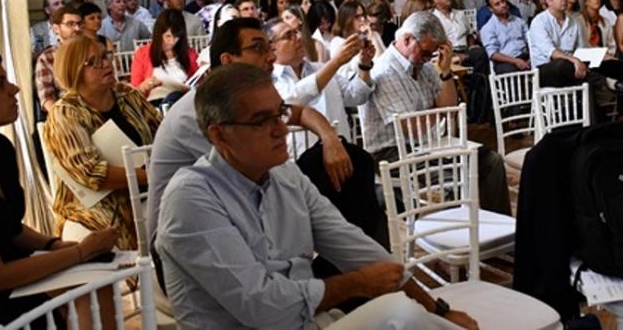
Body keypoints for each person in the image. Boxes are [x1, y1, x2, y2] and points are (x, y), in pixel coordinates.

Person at [156, 64, 478, 329]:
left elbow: (352, 244)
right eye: (261, 121)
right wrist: (357, 284)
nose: (282, 129)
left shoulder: (285, 175)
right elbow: (263, 308)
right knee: (402, 317)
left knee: (416, 319)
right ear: (219, 135)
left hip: (307, 320)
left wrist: (438, 310)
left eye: (280, 113)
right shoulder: (191, 199)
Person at [0, 48, 119, 330]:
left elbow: (12, 229)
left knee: (98, 280)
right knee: (85, 276)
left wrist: (53, 245)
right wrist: (79, 252)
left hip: (9, 269)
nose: (15, 88)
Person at [360, 12, 510, 215]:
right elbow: (411, 128)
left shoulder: (422, 65)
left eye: (431, 54)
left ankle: (498, 230)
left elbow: (449, 108)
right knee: (453, 178)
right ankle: (457, 239)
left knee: (492, 161)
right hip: (391, 151)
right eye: (425, 52)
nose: (427, 58)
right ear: (407, 40)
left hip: (426, 144)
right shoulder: (385, 71)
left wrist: (446, 70)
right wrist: (439, 112)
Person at [45, 36, 159, 249]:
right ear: (74, 70)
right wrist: (154, 176)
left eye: (105, 56)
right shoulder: (65, 113)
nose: (106, 63)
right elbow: (90, 173)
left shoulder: (127, 95)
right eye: (94, 62)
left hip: (144, 193)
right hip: (94, 205)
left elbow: (160, 132)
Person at [271, 19, 375, 145]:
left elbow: (356, 96)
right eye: (289, 36)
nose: (298, 37)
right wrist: (335, 62)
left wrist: (364, 65)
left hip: (340, 150)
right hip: (300, 158)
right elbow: (292, 100)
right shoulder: (270, 79)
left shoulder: (321, 68)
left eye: (297, 32)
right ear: (272, 48)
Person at [130, 10, 198, 107]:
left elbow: (199, 83)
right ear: (158, 33)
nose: (172, 41)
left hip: (182, 104)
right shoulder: (142, 53)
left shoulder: (189, 53)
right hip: (155, 105)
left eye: (176, 37)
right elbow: (134, 93)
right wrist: (145, 86)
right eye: (168, 36)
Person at [529, 0, 588, 87]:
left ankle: (617, 88)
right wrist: (574, 60)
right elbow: (551, 52)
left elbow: (582, 48)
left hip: (571, 65)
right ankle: (604, 82)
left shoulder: (575, 21)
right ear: (548, 1)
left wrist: (580, 61)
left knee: (603, 66)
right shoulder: (539, 21)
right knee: (563, 64)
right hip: (545, 69)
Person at [34, 5, 83, 114]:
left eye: (79, 24)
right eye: (70, 24)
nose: (77, 29)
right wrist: (64, 119)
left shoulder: (91, 51)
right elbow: (47, 99)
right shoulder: (47, 58)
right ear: (56, 28)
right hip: (68, 113)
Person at [480, 0, 530, 74]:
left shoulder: (520, 21)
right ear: (490, 9)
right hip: (505, 61)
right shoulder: (487, 28)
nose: (503, 5)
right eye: (497, 4)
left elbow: (530, 41)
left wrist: (532, 58)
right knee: (511, 71)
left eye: (503, 1)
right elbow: (493, 54)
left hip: (524, 56)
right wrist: (515, 61)